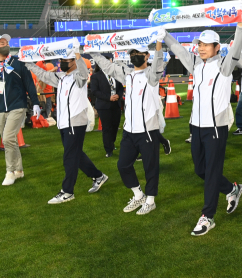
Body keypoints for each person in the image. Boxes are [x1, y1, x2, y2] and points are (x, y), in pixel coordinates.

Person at [165, 24, 242, 237]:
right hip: (197, 126)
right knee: (200, 170)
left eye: (206, 45)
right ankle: (231, 189)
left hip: (216, 127)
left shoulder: (225, 65)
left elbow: (236, 48)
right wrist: (163, 33)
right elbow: (178, 49)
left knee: (211, 172)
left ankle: (207, 217)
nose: (201, 48)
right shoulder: (196, 65)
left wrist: (241, 26)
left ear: (217, 47)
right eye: (199, 44)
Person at [90, 32, 166, 215]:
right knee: (123, 165)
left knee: (150, 167)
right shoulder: (127, 74)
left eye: (138, 53)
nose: (135, 57)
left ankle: (150, 200)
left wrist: (158, 43)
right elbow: (107, 66)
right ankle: (138, 194)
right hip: (129, 131)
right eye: (132, 54)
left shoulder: (152, 75)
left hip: (147, 130)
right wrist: (92, 51)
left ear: (147, 55)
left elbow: (158, 63)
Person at [26, 48, 108, 204]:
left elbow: (83, 70)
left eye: (65, 61)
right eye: (61, 60)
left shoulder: (80, 77)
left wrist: (77, 54)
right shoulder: (61, 77)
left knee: (69, 157)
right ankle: (98, 176)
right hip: (64, 122)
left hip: (75, 122)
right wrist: (28, 63)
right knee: (76, 154)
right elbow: (43, 75)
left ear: (74, 62)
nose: (61, 63)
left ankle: (67, 191)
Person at [0, 34, 41, 186]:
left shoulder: (18, 63)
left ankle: (10, 171)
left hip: (17, 106)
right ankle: (19, 170)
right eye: (1, 42)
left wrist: (35, 103)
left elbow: (29, 84)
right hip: (0, 109)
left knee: (8, 138)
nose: (5, 43)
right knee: (10, 140)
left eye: (6, 42)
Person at [90, 53, 125, 157]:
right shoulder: (96, 76)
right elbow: (95, 91)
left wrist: (118, 95)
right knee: (107, 127)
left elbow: (120, 88)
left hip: (116, 104)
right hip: (104, 106)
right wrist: (108, 97)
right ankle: (108, 149)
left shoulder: (116, 74)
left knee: (115, 126)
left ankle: (111, 142)